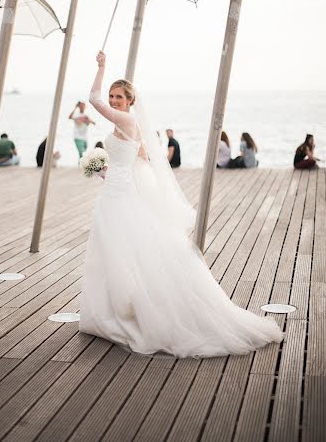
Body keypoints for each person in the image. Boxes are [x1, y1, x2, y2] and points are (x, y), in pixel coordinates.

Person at [79, 50, 282, 358]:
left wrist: (101, 67)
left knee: (121, 251)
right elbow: (141, 158)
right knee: (116, 252)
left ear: (130, 101)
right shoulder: (129, 126)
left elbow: (93, 101)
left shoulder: (126, 119)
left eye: (119, 96)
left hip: (120, 198)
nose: (114, 100)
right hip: (118, 191)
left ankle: (125, 313)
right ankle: (114, 310)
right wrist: (105, 171)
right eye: (112, 96)